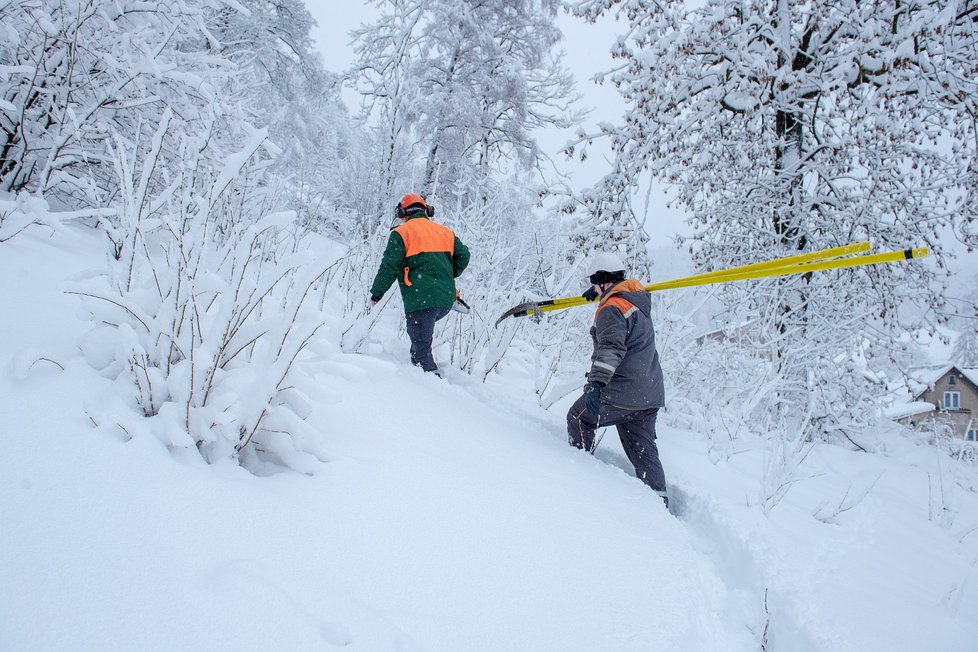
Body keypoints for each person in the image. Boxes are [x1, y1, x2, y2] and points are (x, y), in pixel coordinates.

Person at [567, 251, 669, 506]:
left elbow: (611, 348)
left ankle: (575, 471)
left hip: (622, 392)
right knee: (643, 451)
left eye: (594, 281)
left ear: (602, 279)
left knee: (578, 417)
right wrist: (601, 295)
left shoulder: (612, 308)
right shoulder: (635, 299)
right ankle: (660, 502)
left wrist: (597, 384)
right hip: (649, 393)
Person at [369, 193, 470, 376]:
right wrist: (447, 275)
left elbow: (388, 267)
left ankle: (436, 392)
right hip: (445, 301)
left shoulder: (401, 233)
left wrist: (377, 293)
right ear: (427, 210)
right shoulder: (445, 231)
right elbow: (464, 256)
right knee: (418, 339)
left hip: (421, 301)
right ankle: (419, 376)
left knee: (421, 352)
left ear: (402, 213)